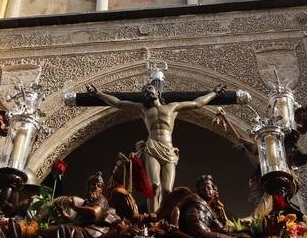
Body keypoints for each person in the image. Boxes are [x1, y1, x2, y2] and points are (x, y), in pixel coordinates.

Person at [87, 81, 221, 210]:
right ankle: (154, 218)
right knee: (154, 186)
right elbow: (119, 103)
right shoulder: (143, 110)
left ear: (157, 92)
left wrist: (214, 93)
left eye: (149, 89)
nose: (147, 92)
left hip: (168, 150)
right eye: (144, 91)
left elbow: (197, 103)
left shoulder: (172, 107)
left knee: (168, 190)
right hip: (152, 148)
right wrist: (98, 94)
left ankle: (165, 217)